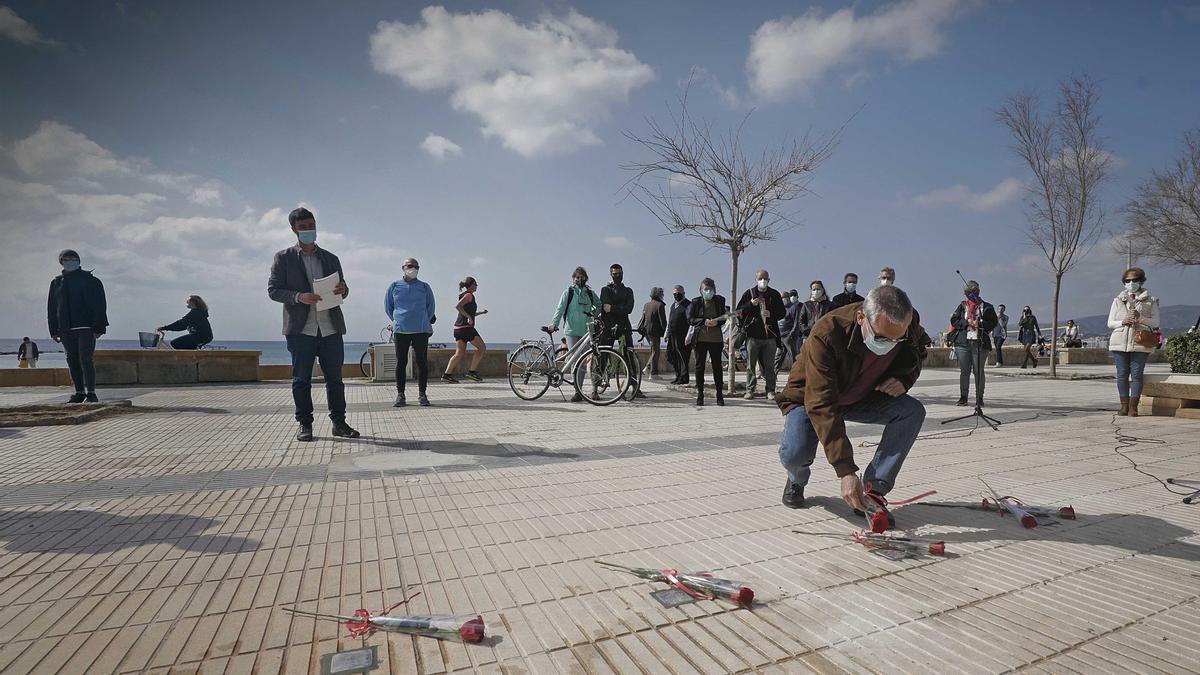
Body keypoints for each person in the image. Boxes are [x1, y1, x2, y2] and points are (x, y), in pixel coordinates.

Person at [776, 286, 928, 529]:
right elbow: (822, 403)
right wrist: (845, 470)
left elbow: (919, 351)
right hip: (811, 398)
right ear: (861, 318)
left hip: (862, 395)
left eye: (896, 339)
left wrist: (904, 380)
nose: (889, 345)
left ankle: (873, 492)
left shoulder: (907, 322)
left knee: (911, 411)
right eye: (881, 338)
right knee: (796, 453)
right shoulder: (827, 332)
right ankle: (796, 479)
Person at [268, 208, 357, 441]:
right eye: (303, 226)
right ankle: (304, 424)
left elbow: (342, 290)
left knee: (335, 380)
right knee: (301, 380)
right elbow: (273, 290)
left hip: (330, 327)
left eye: (311, 225)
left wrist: (343, 289)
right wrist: (299, 297)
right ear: (294, 229)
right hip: (301, 329)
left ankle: (339, 423)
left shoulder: (330, 258)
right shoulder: (283, 258)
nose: (309, 230)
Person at [47, 249, 108, 403]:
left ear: (79, 260)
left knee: (86, 359)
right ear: (61, 262)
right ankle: (79, 392)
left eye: (73, 259)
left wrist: (99, 327)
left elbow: (100, 305)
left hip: (86, 328)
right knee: (71, 360)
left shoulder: (91, 281)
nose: (70, 261)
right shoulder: (56, 283)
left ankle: (91, 393)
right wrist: (53, 330)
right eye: (66, 259)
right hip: (66, 329)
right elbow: (52, 308)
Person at [1108, 267, 1160, 417]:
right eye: (1128, 281)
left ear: (1141, 281)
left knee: (1137, 374)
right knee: (1122, 374)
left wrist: (1140, 318)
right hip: (1119, 341)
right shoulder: (1118, 300)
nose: (1131, 283)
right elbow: (1110, 323)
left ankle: (1133, 407)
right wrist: (1123, 322)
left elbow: (1156, 322)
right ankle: (1123, 406)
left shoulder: (1151, 300)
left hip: (1140, 342)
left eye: (1134, 280)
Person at [386, 258, 436, 407]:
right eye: (410, 266)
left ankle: (422, 395)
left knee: (422, 362)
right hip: (401, 330)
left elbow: (431, 307)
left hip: (421, 330)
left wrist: (423, 320)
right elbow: (388, 307)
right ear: (403, 268)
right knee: (401, 362)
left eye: (416, 266)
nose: (413, 268)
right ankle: (400, 395)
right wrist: (398, 320)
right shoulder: (394, 286)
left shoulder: (424, 287)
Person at [545, 267, 599, 402]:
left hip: (586, 331)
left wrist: (593, 313)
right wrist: (554, 324)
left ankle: (579, 390)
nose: (579, 279)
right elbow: (560, 308)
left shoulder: (590, 293)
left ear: (585, 278)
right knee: (576, 361)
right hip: (571, 331)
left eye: (581, 277)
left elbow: (599, 305)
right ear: (573, 278)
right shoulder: (568, 292)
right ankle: (577, 391)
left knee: (582, 361)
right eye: (577, 277)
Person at [736, 270, 787, 400]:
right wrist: (750, 305)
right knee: (751, 365)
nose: (763, 281)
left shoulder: (774, 294)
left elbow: (782, 312)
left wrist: (771, 314)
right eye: (760, 278)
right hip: (752, 336)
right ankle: (750, 389)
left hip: (769, 336)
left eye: (765, 278)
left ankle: (770, 390)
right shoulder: (749, 293)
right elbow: (739, 312)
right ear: (756, 279)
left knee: (769, 365)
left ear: (769, 280)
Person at [949, 280, 999, 407]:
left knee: (978, 371)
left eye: (975, 290)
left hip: (980, 343)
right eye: (969, 291)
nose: (972, 294)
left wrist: (980, 324)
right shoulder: (962, 306)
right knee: (964, 371)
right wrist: (966, 323)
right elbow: (954, 320)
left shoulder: (987, 307)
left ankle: (979, 397)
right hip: (963, 343)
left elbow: (993, 322)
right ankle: (963, 397)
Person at [601, 263, 643, 399]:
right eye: (615, 274)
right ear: (611, 275)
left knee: (629, 358)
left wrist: (612, 308)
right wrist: (620, 307)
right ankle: (597, 386)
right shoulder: (605, 290)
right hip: (609, 327)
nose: (617, 276)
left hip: (625, 327)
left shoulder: (628, 291)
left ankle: (635, 386)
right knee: (603, 356)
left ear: (623, 273)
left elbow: (628, 309)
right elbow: (604, 307)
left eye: (619, 273)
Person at [688, 278, 728, 407]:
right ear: (701, 290)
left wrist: (718, 322)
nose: (708, 292)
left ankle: (719, 395)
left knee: (717, 367)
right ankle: (700, 395)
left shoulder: (720, 300)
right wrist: (703, 321)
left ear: (714, 290)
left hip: (716, 339)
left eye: (710, 289)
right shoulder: (695, 302)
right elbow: (690, 319)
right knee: (700, 367)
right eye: (705, 289)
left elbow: (724, 317)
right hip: (700, 339)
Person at [442, 276, 488, 383]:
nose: (477, 286)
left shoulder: (465, 295)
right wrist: (468, 317)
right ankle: (472, 372)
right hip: (466, 329)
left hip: (458, 329)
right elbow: (458, 306)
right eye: (475, 284)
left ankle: (447, 375)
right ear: (471, 285)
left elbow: (468, 313)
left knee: (459, 353)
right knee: (482, 348)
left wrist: (480, 313)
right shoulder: (468, 295)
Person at [636, 287, 667, 377]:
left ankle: (651, 371)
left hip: (646, 331)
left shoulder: (647, 305)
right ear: (660, 295)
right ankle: (651, 371)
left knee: (653, 350)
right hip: (655, 332)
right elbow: (663, 322)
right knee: (655, 351)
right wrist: (666, 333)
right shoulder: (660, 305)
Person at [666, 285, 692, 385]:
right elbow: (670, 320)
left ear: (683, 293)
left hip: (683, 336)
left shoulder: (688, 305)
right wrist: (667, 334)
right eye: (675, 294)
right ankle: (678, 375)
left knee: (683, 357)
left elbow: (690, 321)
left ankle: (684, 377)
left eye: (679, 293)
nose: (677, 295)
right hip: (673, 335)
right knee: (672, 355)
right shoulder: (673, 305)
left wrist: (689, 336)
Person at [797, 281, 833, 346]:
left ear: (823, 290)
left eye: (818, 289)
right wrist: (808, 331)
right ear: (811, 291)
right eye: (814, 290)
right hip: (808, 337)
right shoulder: (806, 305)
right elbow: (801, 322)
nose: (816, 291)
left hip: (824, 337)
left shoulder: (830, 305)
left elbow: (832, 321)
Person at [779, 289, 803, 366]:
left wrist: (791, 334)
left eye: (785, 298)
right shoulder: (782, 309)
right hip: (781, 336)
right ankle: (773, 375)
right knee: (779, 356)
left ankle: (796, 373)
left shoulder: (796, 307)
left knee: (793, 355)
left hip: (791, 336)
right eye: (781, 298)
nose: (783, 299)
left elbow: (797, 322)